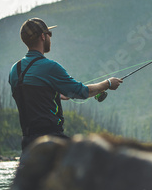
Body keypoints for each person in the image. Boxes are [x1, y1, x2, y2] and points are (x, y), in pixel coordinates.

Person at [9, 17, 122, 152]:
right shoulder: (49, 67)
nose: (50, 37)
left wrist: (54, 93)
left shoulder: (14, 70)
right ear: (42, 37)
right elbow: (82, 92)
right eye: (49, 34)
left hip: (28, 144)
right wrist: (108, 83)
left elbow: (31, 95)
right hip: (52, 141)